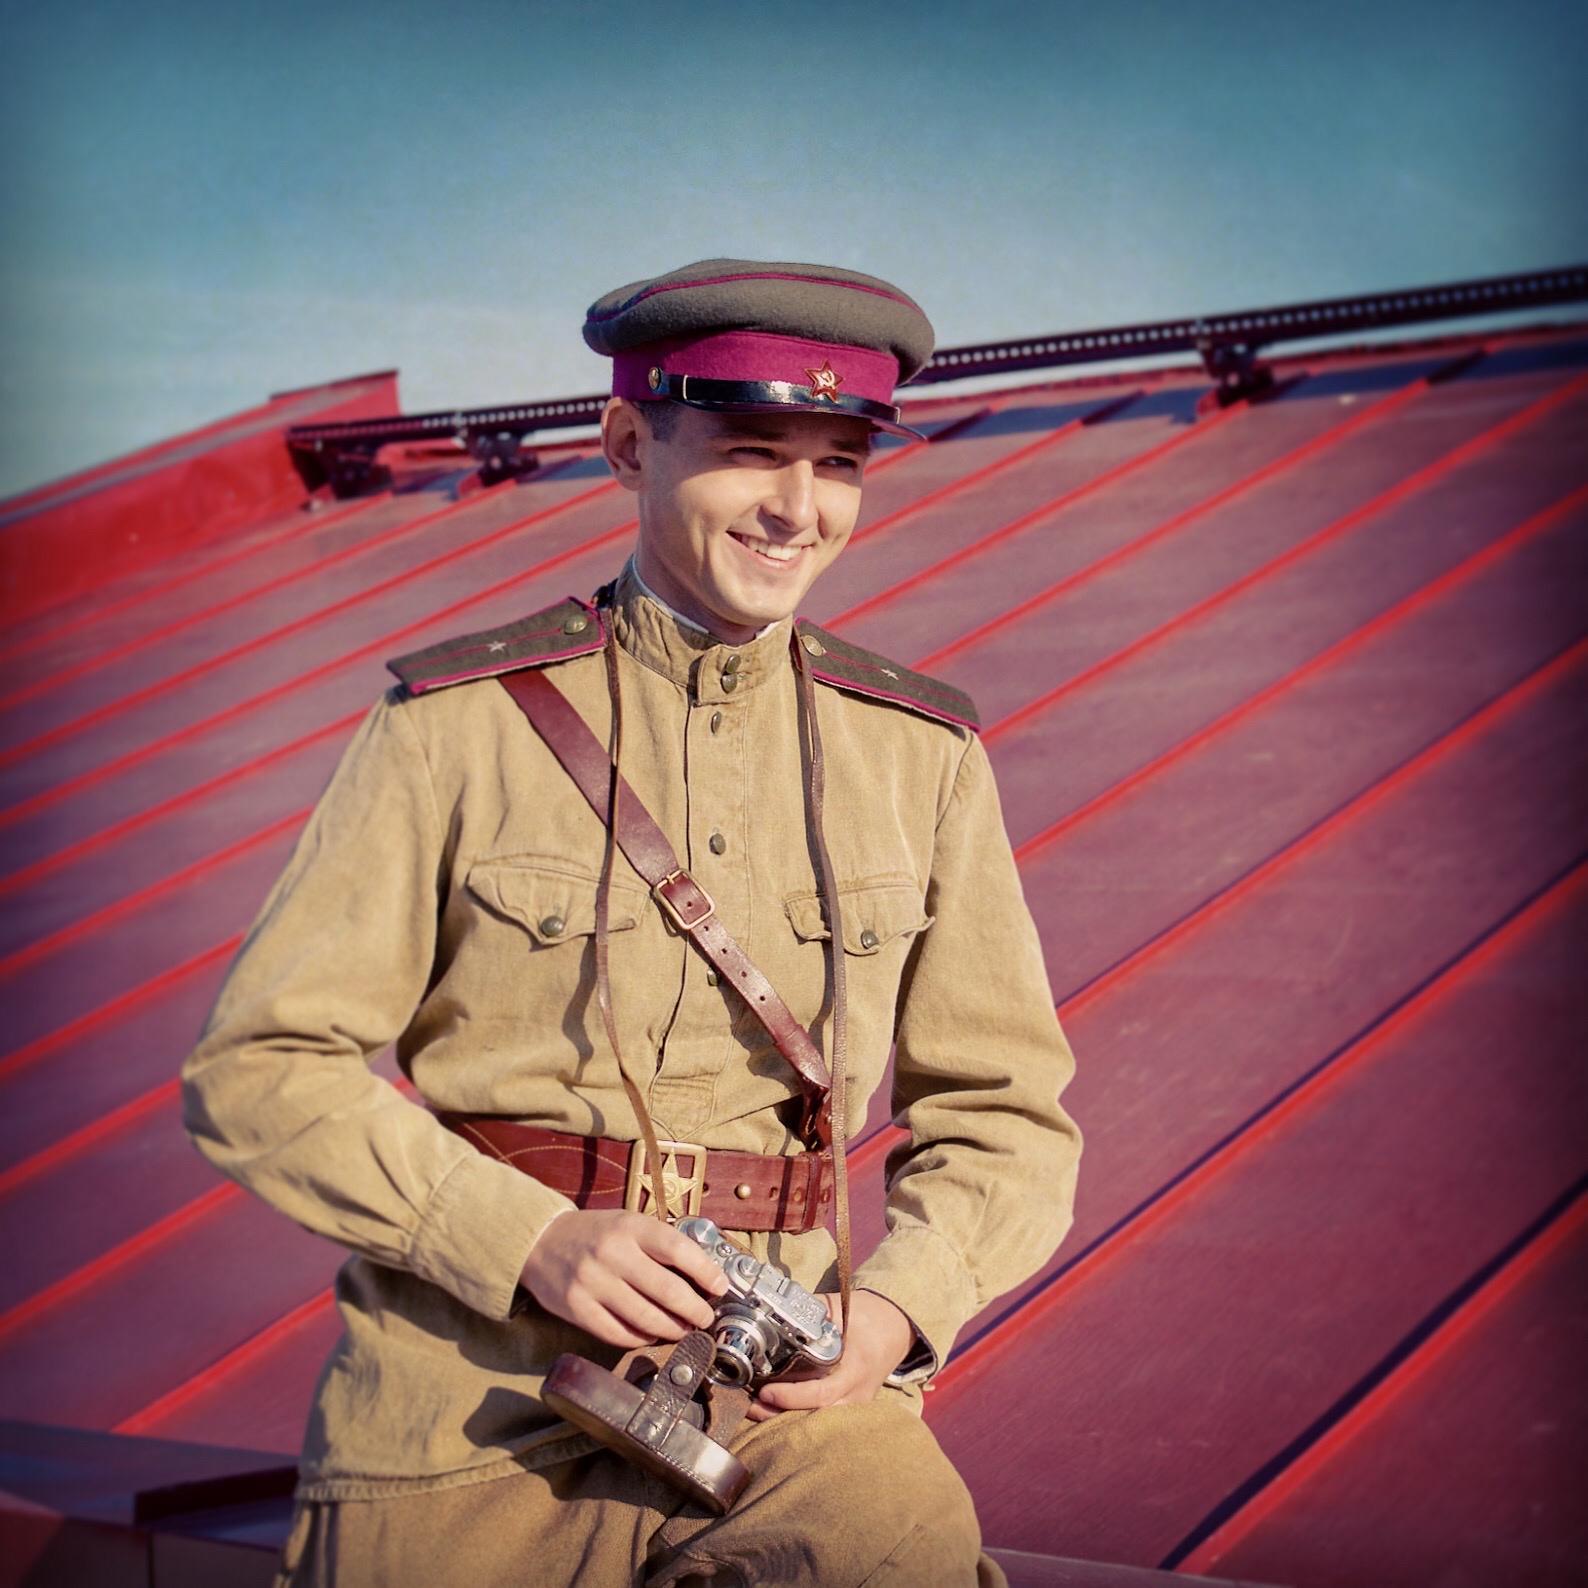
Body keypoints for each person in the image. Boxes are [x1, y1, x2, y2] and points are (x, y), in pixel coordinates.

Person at [182, 258, 1081, 1587]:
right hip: (467, 1417)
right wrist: (526, 1240)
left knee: (896, 1542)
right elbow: (261, 1071)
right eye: (753, 451)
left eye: (839, 465)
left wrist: (898, 1309)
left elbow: (1007, 1112)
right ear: (626, 445)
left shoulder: (921, 757)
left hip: (776, 1411)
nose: (799, 509)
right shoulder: (454, 730)